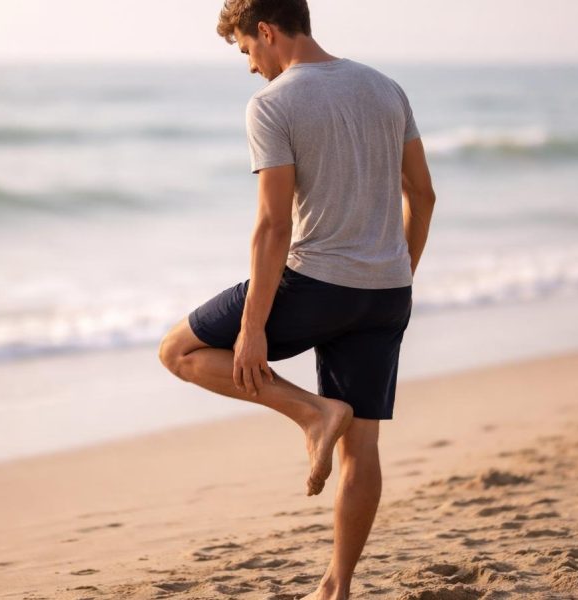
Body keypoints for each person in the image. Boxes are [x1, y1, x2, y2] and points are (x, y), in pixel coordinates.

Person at [158, 1, 436, 597]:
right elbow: (425, 195)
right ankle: (336, 588)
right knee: (362, 446)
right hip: (386, 292)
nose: (250, 66)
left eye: (245, 50)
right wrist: (398, 274)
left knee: (178, 351)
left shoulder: (274, 102)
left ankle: (311, 413)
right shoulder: (387, 89)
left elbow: (273, 228)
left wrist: (254, 327)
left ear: (265, 31)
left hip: (315, 285)